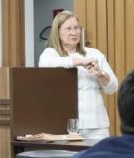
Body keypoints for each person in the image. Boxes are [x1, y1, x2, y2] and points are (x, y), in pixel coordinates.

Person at [38, 10, 118, 140]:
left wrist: (100, 73)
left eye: (76, 28)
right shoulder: (50, 53)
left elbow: (112, 88)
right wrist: (79, 61)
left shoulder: (94, 53)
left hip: (96, 126)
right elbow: (46, 65)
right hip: (64, 126)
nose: (74, 32)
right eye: (69, 28)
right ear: (57, 32)